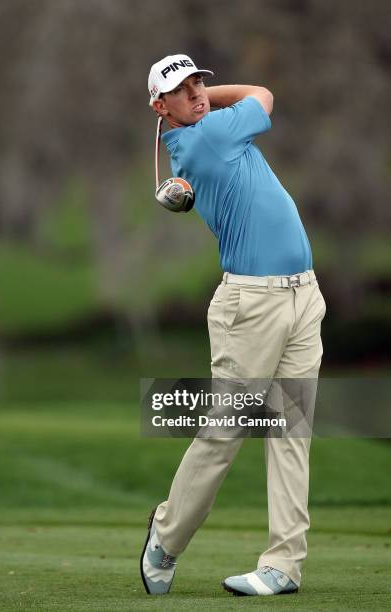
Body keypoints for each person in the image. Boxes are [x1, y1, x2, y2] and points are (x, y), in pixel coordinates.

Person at [140, 54, 326, 597]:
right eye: (182, 89)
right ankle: (166, 536)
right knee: (225, 431)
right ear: (159, 105)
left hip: (302, 296)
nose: (198, 92)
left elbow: (253, 100)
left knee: (292, 434)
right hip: (252, 307)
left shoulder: (206, 129)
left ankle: (283, 566)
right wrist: (213, 104)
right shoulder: (209, 137)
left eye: (201, 82)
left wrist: (196, 101)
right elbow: (263, 95)